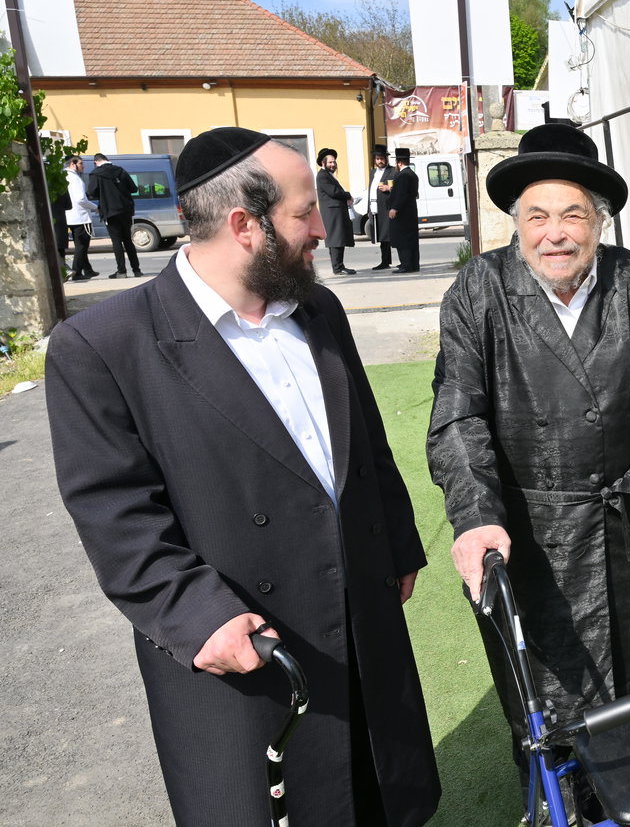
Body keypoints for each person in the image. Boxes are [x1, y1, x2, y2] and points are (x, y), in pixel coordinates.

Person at [46, 127, 441, 826]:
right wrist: (203, 618)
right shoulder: (103, 346)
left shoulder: (318, 309)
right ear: (243, 225)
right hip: (247, 655)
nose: (322, 228)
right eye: (303, 212)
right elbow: (117, 519)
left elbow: (366, 442)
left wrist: (399, 541)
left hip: (360, 620)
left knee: (379, 794)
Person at [426, 123, 630, 780]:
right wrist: (476, 513)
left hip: (619, 528)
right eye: (537, 215)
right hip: (525, 536)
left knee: (625, 691)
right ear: (516, 222)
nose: (555, 233)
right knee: (542, 706)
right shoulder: (480, 288)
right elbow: (457, 412)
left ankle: (617, 798)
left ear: (600, 219)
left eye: (573, 214)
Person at [86, 152, 142, 278]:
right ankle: (136, 269)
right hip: (126, 210)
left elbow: (91, 192)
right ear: (107, 159)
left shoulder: (96, 174)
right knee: (128, 240)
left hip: (110, 211)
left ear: (96, 162)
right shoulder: (121, 171)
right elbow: (134, 188)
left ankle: (121, 271)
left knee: (116, 241)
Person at [316, 147, 357, 275]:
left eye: (334, 162)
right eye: (330, 162)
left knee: (338, 239)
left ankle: (339, 265)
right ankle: (338, 267)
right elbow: (333, 192)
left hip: (335, 211)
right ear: (323, 163)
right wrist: (347, 194)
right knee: (336, 239)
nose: (333, 164)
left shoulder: (328, 175)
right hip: (332, 213)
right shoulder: (322, 176)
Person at [62, 154, 100, 281]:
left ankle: (87, 269)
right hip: (80, 216)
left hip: (69, 216)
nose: (83, 166)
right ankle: (77, 272)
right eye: (81, 163)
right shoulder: (76, 179)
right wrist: (95, 207)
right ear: (72, 164)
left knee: (81, 244)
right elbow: (80, 199)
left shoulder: (64, 176)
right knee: (82, 245)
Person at [386, 147, 420, 273]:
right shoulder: (412, 174)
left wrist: (394, 208)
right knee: (410, 239)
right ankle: (412, 264)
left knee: (403, 239)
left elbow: (401, 194)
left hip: (402, 214)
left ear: (399, 162)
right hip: (410, 212)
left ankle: (406, 264)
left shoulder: (403, 175)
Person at [365, 143, 397, 270]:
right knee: (380, 235)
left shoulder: (392, 171)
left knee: (385, 236)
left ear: (386, 159)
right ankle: (385, 261)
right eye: (378, 159)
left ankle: (386, 261)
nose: (380, 161)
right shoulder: (373, 172)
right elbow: (370, 190)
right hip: (374, 208)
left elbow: (398, 188)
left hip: (386, 207)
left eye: (382, 158)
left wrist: (389, 188)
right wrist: (368, 208)